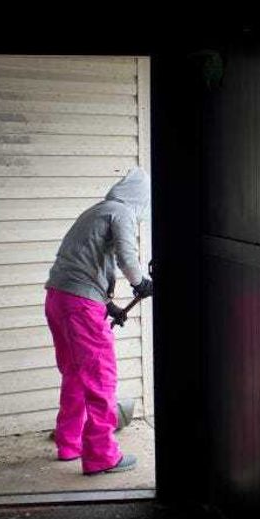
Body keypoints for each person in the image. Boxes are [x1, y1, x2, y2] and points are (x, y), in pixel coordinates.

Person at [44, 167, 155, 474]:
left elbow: (83, 265)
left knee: (75, 373)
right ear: (142, 198)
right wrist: (140, 282)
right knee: (100, 376)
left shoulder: (96, 211)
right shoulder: (121, 212)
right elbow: (126, 255)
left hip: (58, 298)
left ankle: (70, 444)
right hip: (79, 304)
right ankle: (101, 456)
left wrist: (109, 305)